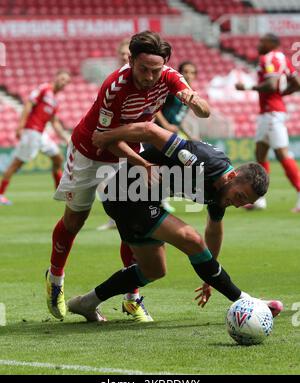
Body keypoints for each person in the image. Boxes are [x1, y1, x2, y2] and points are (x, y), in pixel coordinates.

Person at [46, 31, 210, 321]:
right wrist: (142, 164)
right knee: (75, 220)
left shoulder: (169, 77)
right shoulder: (115, 87)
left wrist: (194, 101)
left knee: (132, 218)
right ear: (131, 60)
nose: (149, 76)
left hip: (128, 152)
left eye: (155, 70)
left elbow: (204, 112)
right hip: (90, 151)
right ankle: (55, 280)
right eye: (143, 69)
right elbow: (104, 139)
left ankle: (131, 298)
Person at [67, 121, 283, 322]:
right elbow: (150, 131)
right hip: (125, 194)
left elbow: (214, 230)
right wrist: (108, 136)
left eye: (245, 202)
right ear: (231, 177)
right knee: (191, 239)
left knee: (153, 270)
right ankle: (246, 301)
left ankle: (86, 303)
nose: (238, 204)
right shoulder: (202, 162)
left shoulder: (222, 192)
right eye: (240, 197)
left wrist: (211, 276)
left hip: (143, 201)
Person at [235, 33, 300, 212]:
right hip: (270, 112)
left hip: (272, 114)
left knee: (282, 154)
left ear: (272, 43)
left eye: (262, 42)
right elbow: (297, 83)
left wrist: (247, 87)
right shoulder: (283, 59)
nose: (258, 45)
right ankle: (259, 200)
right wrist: (282, 94)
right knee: (261, 153)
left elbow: (271, 85)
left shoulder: (268, 58)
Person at [0, 70, 71, 205]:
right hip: (31, 132)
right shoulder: (44, 89)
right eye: (62, 79)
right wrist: (20, 126)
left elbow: (54, 122)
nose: (63, 83)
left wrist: (66, 139)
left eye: (66, 82)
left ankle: (58, 191)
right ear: (56, 77)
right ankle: (0, 194)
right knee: (16, 164)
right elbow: (28, 104)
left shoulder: (55, 101)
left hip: (41, 134)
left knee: (58, 158)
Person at [96, 38, 131, 231]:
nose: (125, 56)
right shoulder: (112, 79)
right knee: (104, 180)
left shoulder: (142, 78)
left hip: (131, 136)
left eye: (128, 53)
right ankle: (115, 219)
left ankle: (129, 219)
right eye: (122, 54)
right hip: (113, 136)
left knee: (131, 180)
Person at [154, 60, 198, 213]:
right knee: (162, 165)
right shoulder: (173, 91)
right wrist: (165, 125)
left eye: (192, 72)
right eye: (185, 72)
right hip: (157, 132)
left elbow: (178, 119)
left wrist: (190, 135)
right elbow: (155, 107)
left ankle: (161, 198)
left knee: (168, 166)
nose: (189, 75)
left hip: (171, 134)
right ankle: (158, 199)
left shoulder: (190, 94)